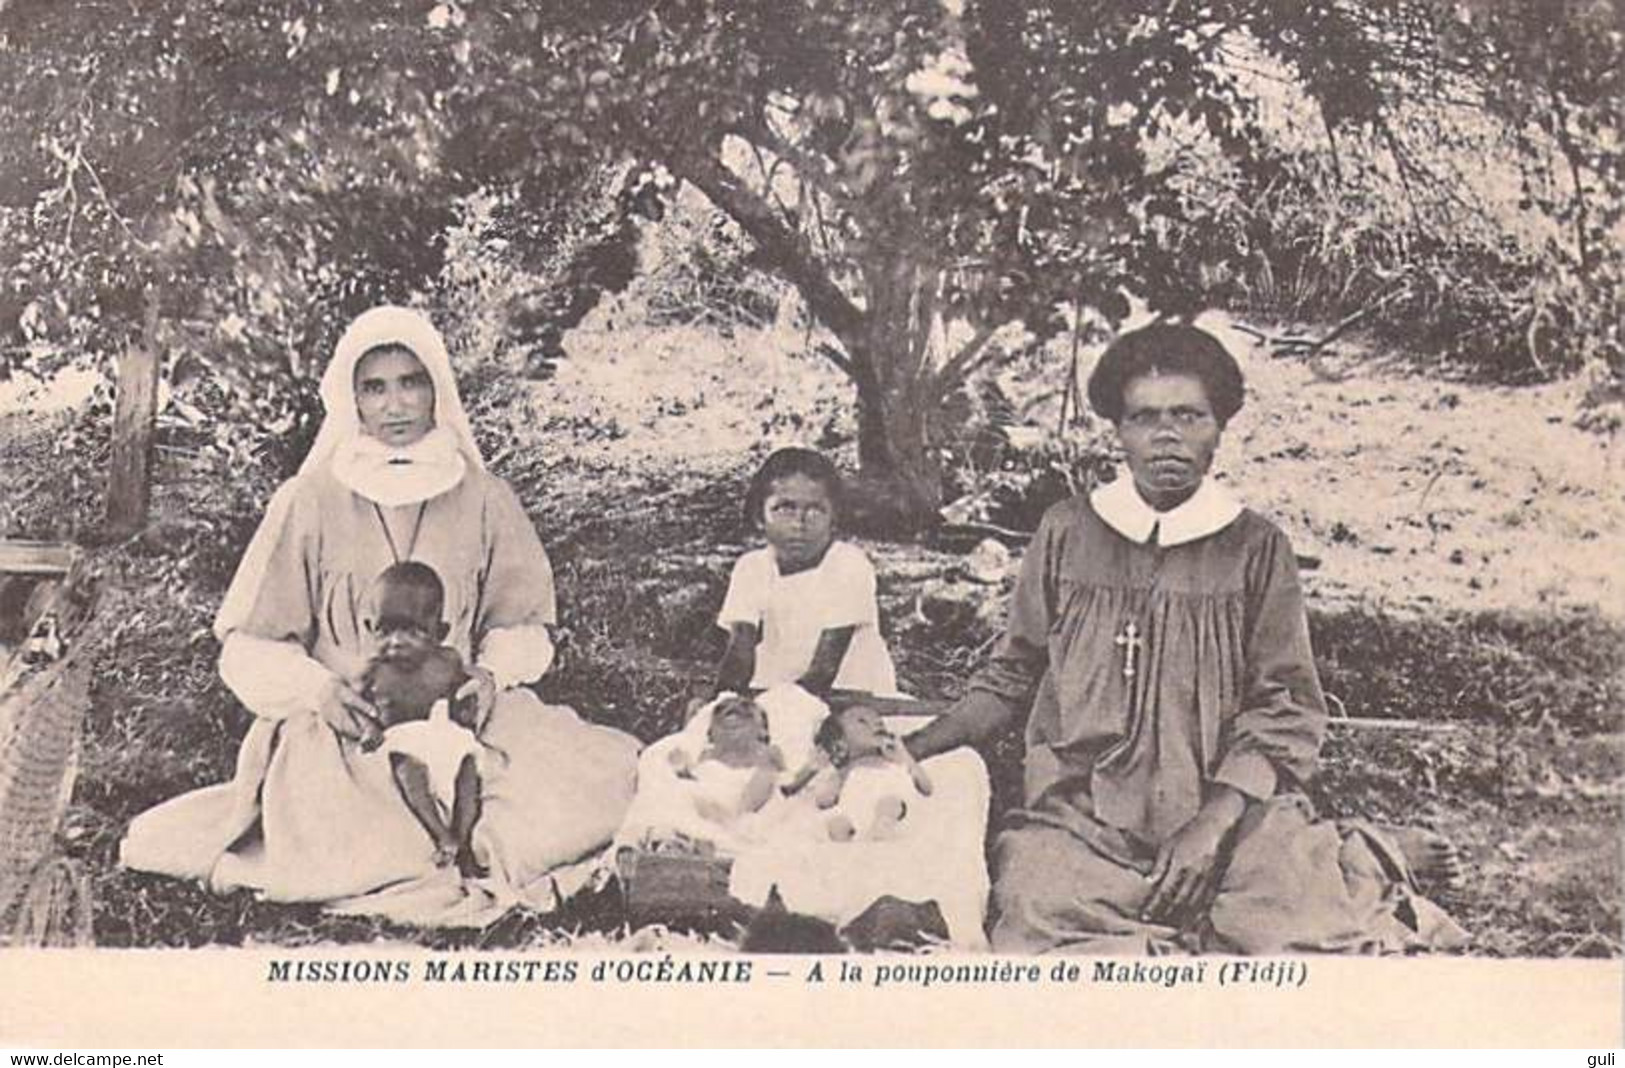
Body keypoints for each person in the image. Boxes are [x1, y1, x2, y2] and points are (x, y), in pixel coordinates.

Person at [905, 322, 1466, 954]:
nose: (1166, 435)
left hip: (1226, 811)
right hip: (1086, 815)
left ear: (1219, 427)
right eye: (1145, 418)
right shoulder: (1065, 533)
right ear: (1118, 430)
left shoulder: (1255, 548)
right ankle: (1312, 869)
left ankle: (1359, 858)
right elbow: (1012, 673)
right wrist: (915, 745)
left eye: (1189, 416)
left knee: (1290, 918)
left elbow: (1283, 706)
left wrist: (1211, 826)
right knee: (1039, 906)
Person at [119, 306, 641, 922]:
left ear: (437, 390)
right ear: (352, 399)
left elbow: (521, 623)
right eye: (375, 387)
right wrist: (320, 692)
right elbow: (248, 645)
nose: (395, 405)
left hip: (464, 717)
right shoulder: (308, 500)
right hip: (350, 726)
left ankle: (465, 840)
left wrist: (490, 676)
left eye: (411, 382)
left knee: (607, 782)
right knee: (374, 843)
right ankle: (419, 846)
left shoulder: (482, 496)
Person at [715, 447, 897, 697]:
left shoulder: (848, 564)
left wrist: (778, 707)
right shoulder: (752, 567)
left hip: (850, 697)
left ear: (834, 518)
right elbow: (739, 654)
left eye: (815, 510)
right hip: (774, 689)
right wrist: (724, 702)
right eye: (784, 508)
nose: (799, 523)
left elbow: (823, 672)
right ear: (759, 516)